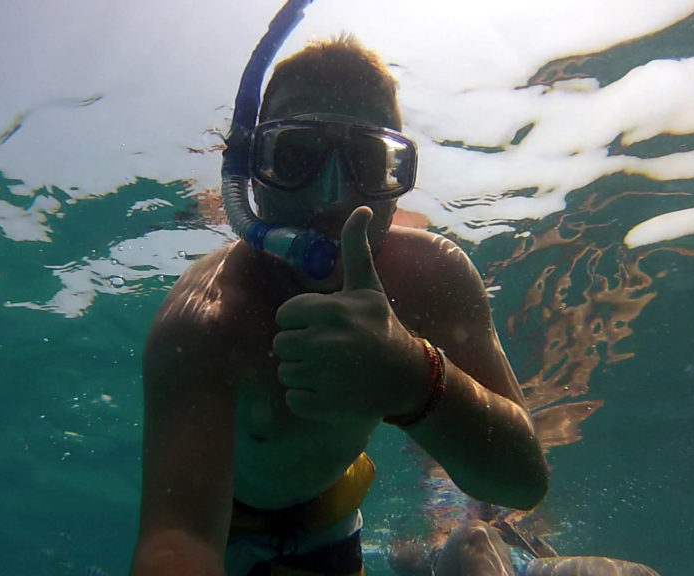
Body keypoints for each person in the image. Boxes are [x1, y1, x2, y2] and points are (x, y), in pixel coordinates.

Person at [131, 35, 548, 576]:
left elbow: (522, 481)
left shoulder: (432, 277)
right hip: (230, 535)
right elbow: (179, 535)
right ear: (249, 169)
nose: (330, 197)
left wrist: (414, 377)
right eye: (296, 156)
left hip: (333, 515)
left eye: (369, 161)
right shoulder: (208, 319)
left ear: (399, 182)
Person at [388, 456, 663, 576]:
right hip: (462, 561)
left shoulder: (514, 536)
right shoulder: (455, 537)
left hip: (523, 568)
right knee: (476, 534)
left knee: (640, 573)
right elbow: (403, 557)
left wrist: (532, 546)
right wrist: (436, 543)